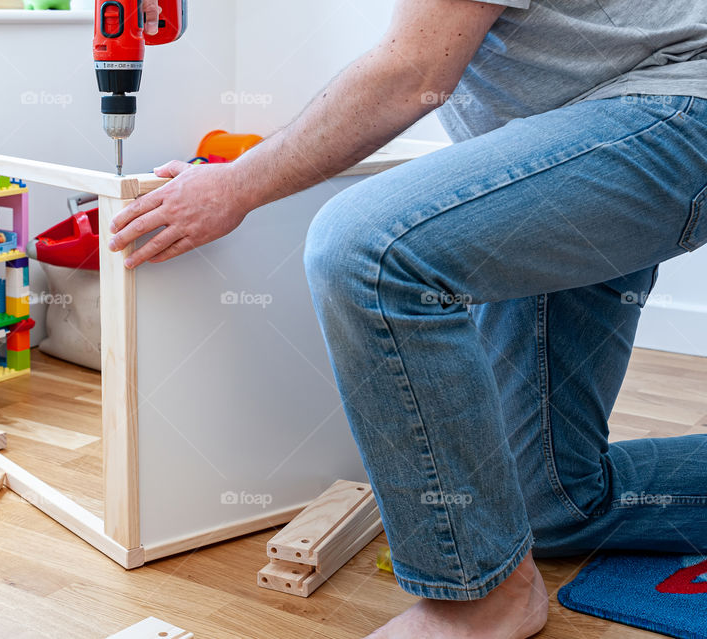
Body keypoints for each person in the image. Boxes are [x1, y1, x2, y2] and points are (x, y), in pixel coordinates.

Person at [110, 2, 707, 637]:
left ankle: (481, 597)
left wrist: (235, 186)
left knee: (369, 250)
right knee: (550, 505)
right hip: (570, 130)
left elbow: (412, 74)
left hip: (670, 108)